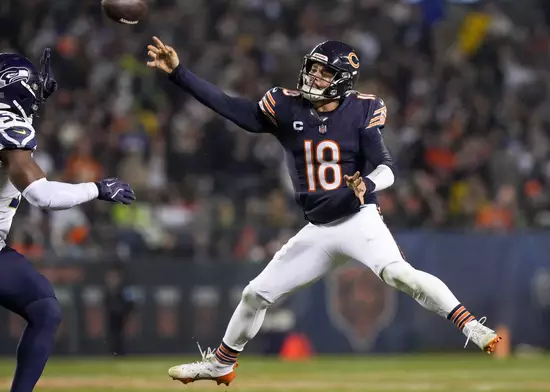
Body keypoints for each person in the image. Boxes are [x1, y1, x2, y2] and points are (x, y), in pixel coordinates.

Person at [146, 36, 501, 386]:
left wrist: (368, 185)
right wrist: (180, 73)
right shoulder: (285, 105)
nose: (314, 77)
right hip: (318, 228)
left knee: (398, 274)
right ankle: (221, 364)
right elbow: (231, 107)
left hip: (358, 218)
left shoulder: (361, 109)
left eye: (324, 73)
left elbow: (386, 166)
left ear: (342, 81)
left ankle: (471, 325)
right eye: (312, 69)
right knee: (255, 294)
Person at [0, 49, 136, 392]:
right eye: (33, 87)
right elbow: (42, 195)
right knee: (44, 309)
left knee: (44, 307)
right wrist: (98, 188)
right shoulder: (8, 125)